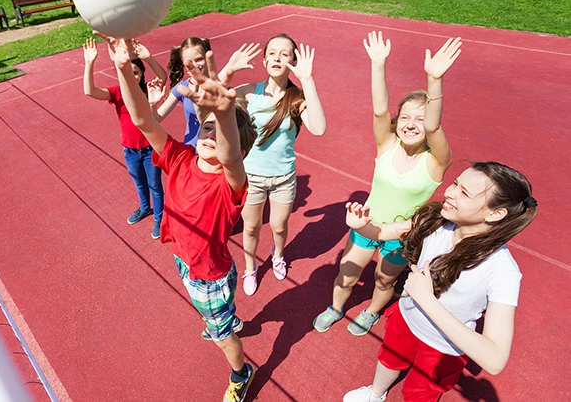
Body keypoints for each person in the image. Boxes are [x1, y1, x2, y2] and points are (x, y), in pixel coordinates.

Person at [98, 32, 259, 402]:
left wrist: (222, 111)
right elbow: (143, 120)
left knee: (221, 336)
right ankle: (226, 317)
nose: (209, 135)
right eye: (207, 127)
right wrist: (123, 67)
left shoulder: (229, 183)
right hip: (185, 261)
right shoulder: (180, 159)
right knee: (219, 317)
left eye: (218, 133)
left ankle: (241, 372)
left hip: (210, 276)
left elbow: (231, 156)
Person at [341, 162, 537, 402]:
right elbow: (383, 232)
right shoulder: (437, 221)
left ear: (495, 213)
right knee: (389, 357)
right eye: (455, 183)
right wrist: (364, 227)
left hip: (443, 347)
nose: (449, 192)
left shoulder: (502, 271)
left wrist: (426, 299)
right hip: (406, 318)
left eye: (464, 193)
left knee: (420, 393)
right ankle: (376, 393)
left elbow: (495, 360)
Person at [313, 33, 461, 335]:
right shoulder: (387, 145)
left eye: (419, 119)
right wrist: (378, 63)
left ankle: (370, 311)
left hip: (401, 235)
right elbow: (380, 110)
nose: (410, 124)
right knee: (347, 272)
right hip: (367, 224)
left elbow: (434, 125)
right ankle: (335, 308)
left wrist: (435, 80)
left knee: (384, 279)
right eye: (405, 117)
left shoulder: (435, 162)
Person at [228, 33, 328, 296]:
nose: (277, 57)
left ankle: (278, 254)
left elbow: (318, 128)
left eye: (285, 54)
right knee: (250, 227)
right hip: (252, 177)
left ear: (293, 62)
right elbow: (215, 99)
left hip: (284, 177)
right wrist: (228, 71)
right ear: (263, 60)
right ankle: (250, 267)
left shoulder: (297, 98)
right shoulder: (250, 93)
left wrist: (307, 80)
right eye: (272, 52)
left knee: (279, 226)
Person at [82, 37, 167, 238]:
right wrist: (89, 63)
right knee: (139, 183)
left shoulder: (148, 90)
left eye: (136, 72)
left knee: (155, 184)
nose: (132, 75)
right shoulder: (118, 92)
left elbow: (163, 77)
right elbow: (89, 91)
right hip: (130, 150)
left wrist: (148, 57)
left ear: (142, 74)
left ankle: (159, 218)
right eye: (129, 71)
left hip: (150, 149)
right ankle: (145, 208)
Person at [150, 37, 261, 148]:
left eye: (199, 59)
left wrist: (230, 67)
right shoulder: (182, 88)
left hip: (217, 147)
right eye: (189, 62)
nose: (195, 65)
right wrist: (153, 104)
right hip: (192, 150)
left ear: (207, 57)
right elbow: (156, 119)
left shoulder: (219, 86)